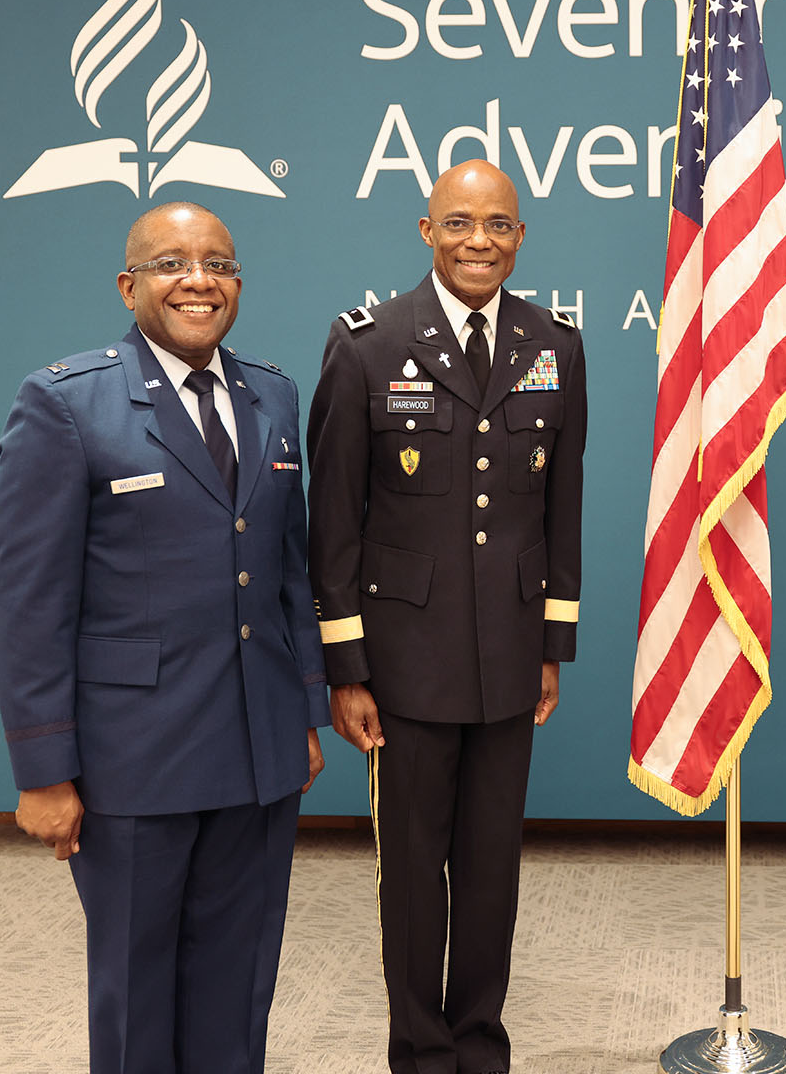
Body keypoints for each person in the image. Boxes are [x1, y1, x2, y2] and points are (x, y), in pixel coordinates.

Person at [0, 201, 330, 1074]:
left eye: (217, 263)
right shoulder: (66, 404)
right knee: (138, 988)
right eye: (172, 263)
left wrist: (304, 712)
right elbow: (28, 603)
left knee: (238, 979)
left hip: (257, 750)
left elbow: (290, 568)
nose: (198, 280)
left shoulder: (274, 394)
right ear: (128, 284)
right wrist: (43, 771)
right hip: (132, 760)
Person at [306, 158, 586, 1074]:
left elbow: (561, 511)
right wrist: (346, 669)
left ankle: (480, 1045)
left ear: (519, 238)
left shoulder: (556, 344)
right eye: (459, 223)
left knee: (493, 869)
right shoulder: (367, 343)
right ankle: (422, 1054)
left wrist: (551, 645)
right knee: (413, 877)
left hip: (507, 655)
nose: (479, 241)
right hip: (403, 663)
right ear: (425, 232)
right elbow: (334, 524)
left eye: (498, 225)